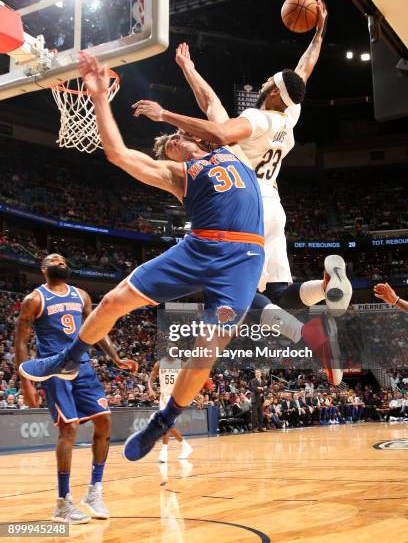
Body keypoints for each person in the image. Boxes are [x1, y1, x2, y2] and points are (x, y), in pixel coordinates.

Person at [19, 52, 336, 463]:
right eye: (168, 147)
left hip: (242, 259)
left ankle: (164, 421)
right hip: (199, 247)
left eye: (174, 139)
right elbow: (119, 155)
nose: (173, 145)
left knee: (208, 347)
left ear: (195, 139)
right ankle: (68, 358)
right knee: (115, 300)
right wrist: (99, 100)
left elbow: (217, 101)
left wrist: (187, 71)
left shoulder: (231, 145)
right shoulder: (179, 175)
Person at [139, 9, 353, 385]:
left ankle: (310, 336)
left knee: (235, 296)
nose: (264, 81)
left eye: (268, 81)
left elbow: (218, 126)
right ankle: (325, 287)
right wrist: (319, 32)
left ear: (272, 93)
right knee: (277, 293)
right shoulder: (289, 115)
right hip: (273, 205)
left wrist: (165, 115)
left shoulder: (257, 120)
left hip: (246, 209)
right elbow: (301, 72)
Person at [15, 253, 138, 524]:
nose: (60, 261)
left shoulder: (81, 295)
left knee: (104, 421)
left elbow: (98, 327)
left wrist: (115, 356)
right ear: (44, 268)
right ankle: (63, 502)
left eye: (63, 259)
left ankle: (94, 491)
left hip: (83, 367)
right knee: (68, 429)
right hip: (54, 369)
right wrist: (26, 381)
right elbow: (21, 341)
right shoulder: (34, 300)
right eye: (54, 259)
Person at [148, 357, 193, 462]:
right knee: (166, 425)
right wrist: (150, 390)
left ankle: (164, 452)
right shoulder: (159, 364)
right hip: (163, 397)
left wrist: (194, 395)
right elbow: (151, 379)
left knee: (166, 423)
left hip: (176, 396)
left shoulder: (181, 364)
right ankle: (185, 446)